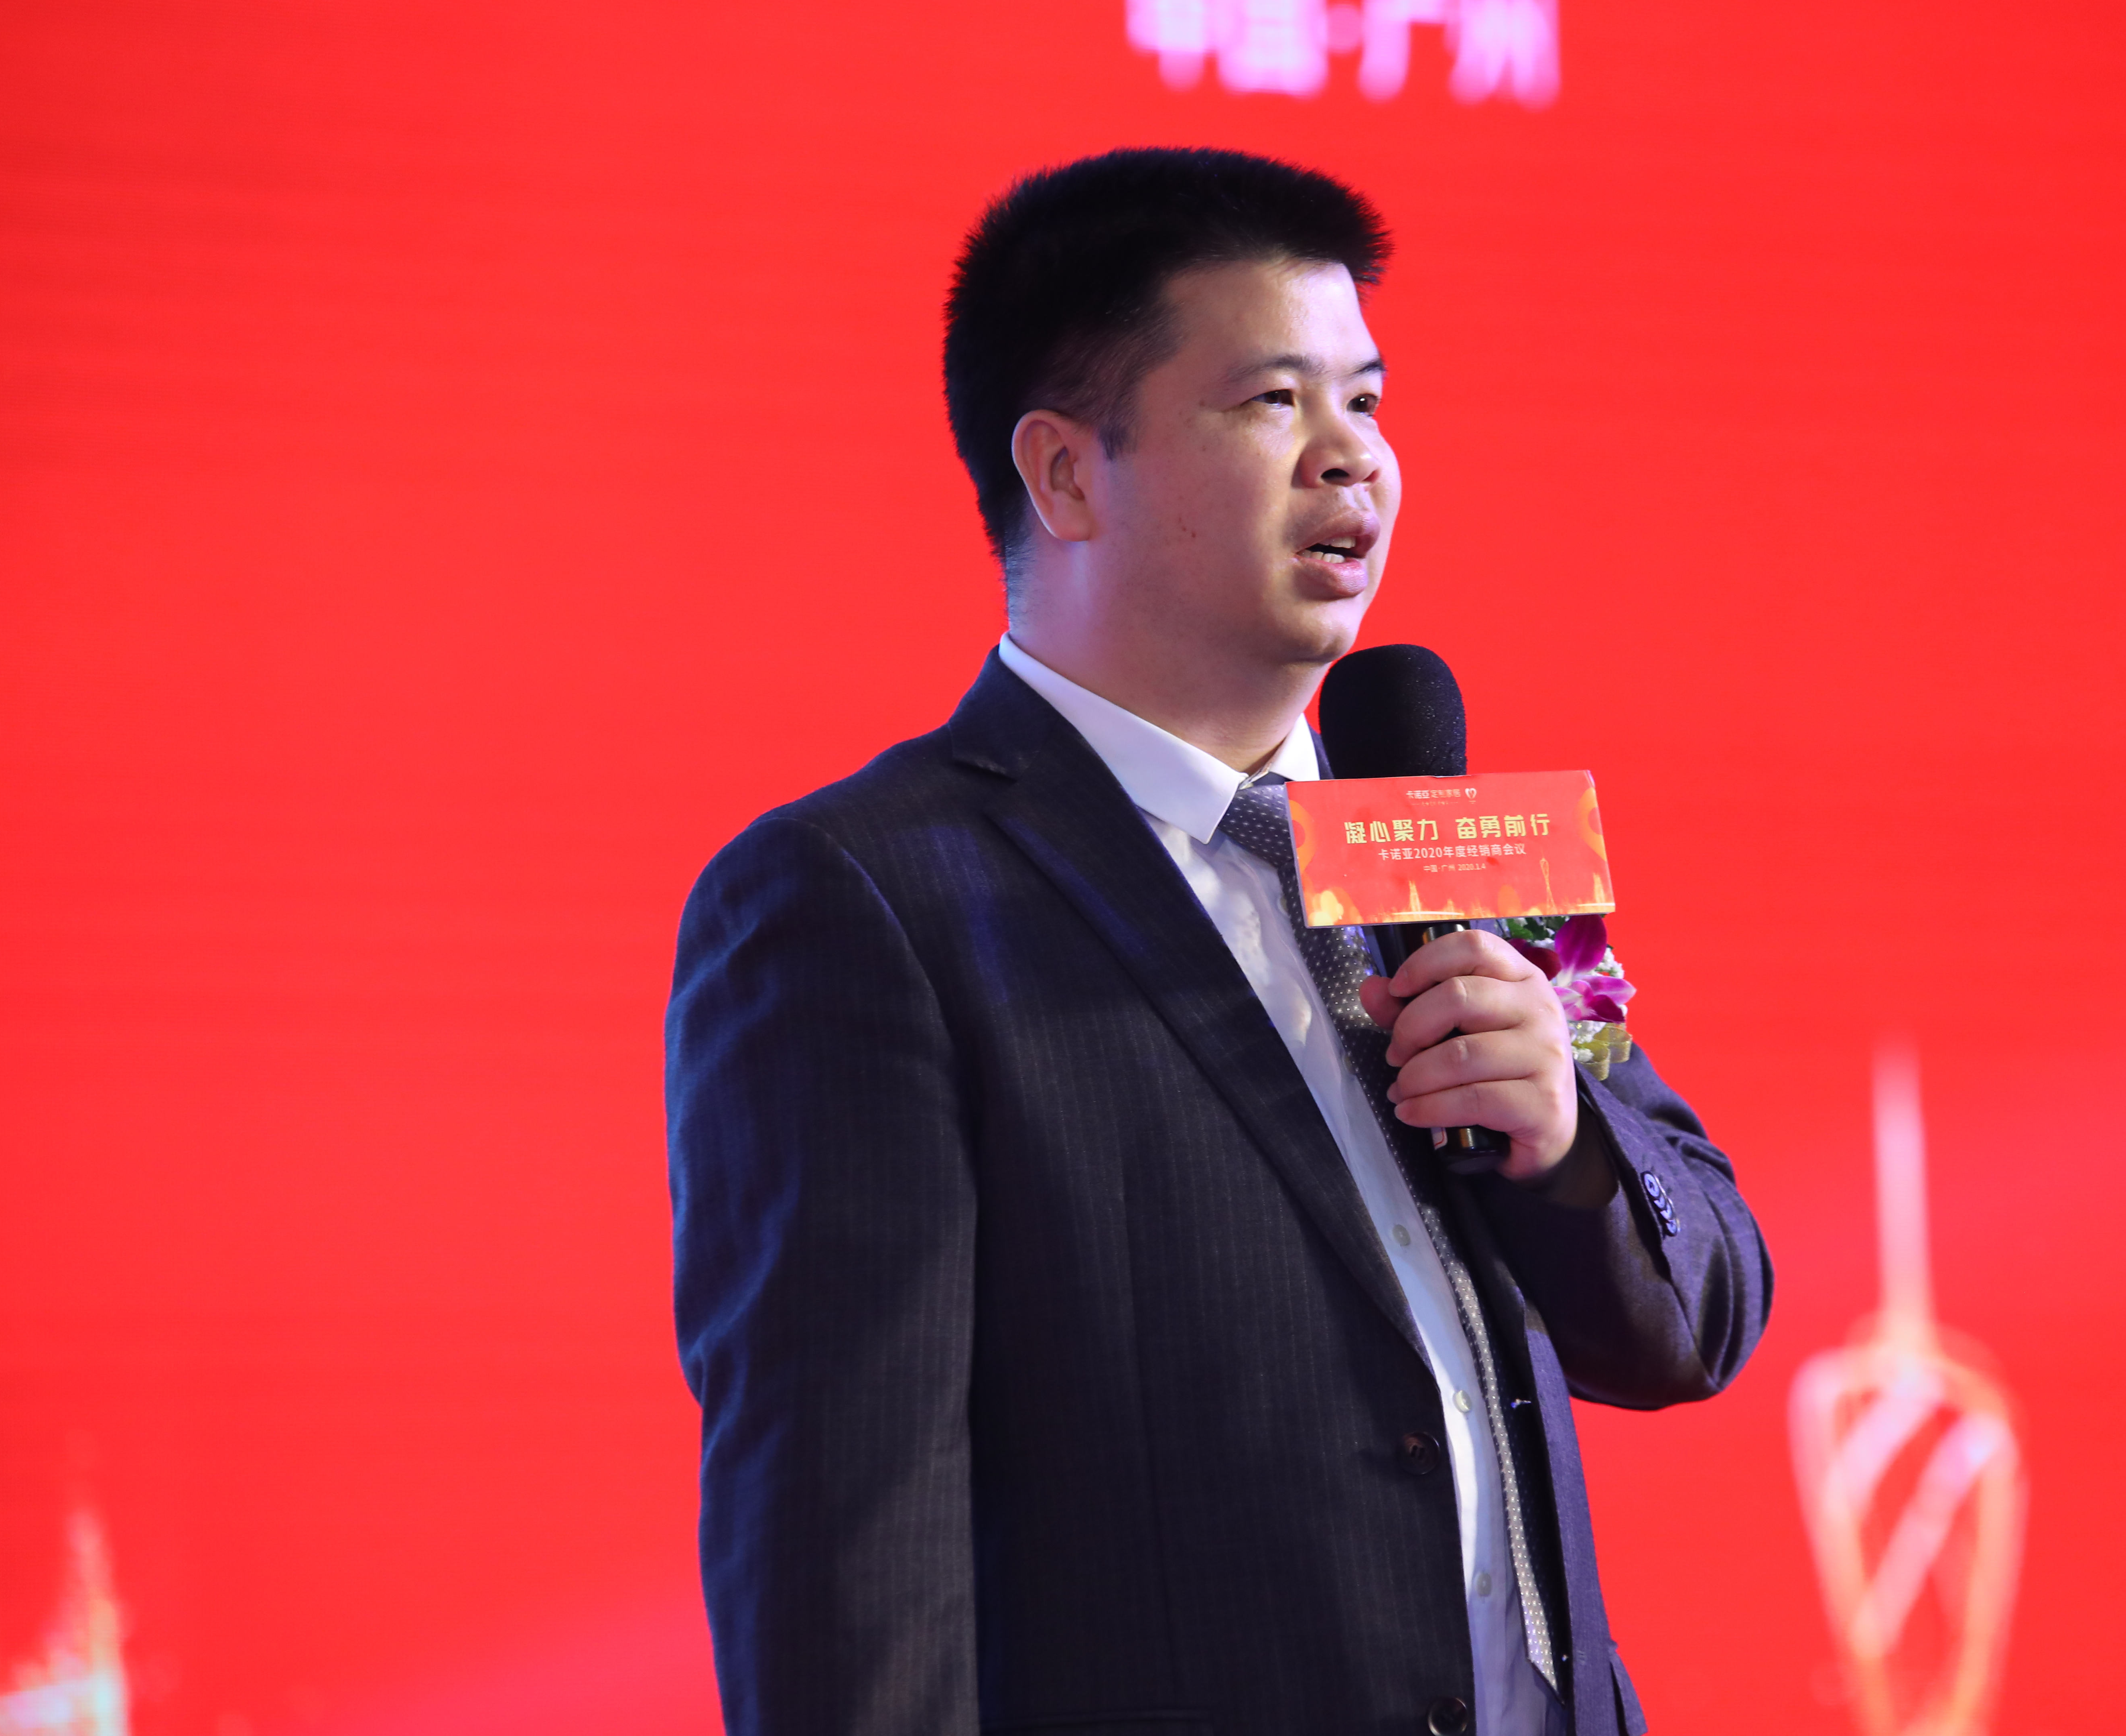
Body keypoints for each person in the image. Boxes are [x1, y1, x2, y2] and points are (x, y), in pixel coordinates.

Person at [666, 148, 1770, 1736]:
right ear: (1065, 476)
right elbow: (851, 1552)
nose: (1353, 458)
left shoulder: (1448, 846)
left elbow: (1701, 1316)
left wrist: (1566, 1143)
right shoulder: (859, 900)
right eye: (1273, 402)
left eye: (1367, 401)